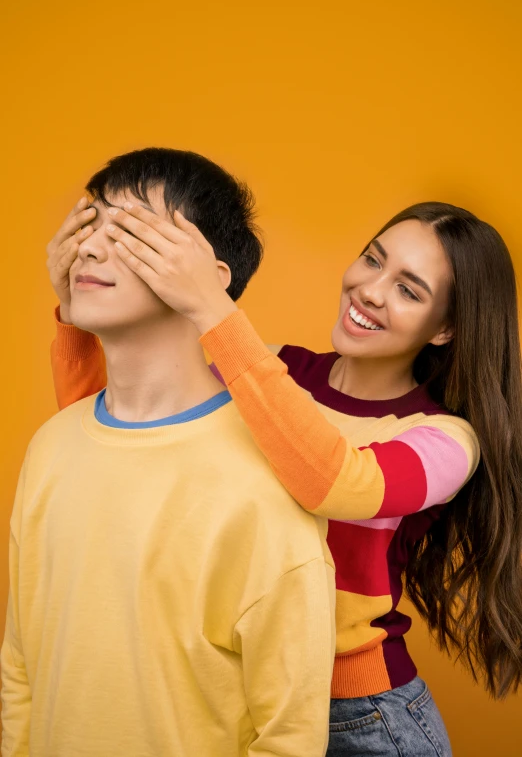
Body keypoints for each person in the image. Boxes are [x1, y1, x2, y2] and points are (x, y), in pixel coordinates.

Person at [48, 194, 522, 756]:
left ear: (443, 329)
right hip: (241, 696)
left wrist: (212, 309)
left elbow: (335, 482)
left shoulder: (444, 440)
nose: (370, 290)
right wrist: (76, 312)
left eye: (408, 289)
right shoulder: (266, 371)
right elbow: (121, 445)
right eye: (373, 260)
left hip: (360, 720)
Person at [1, 148, 337, 757]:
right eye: (91, 224)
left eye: (130, 231)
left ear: (211, 274)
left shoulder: (263, 479)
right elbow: (21, 661)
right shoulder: (51, 446)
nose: (92, 249)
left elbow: (288, 735)